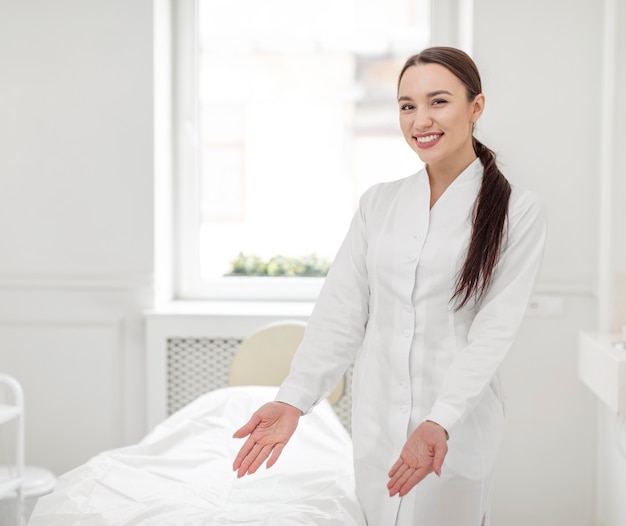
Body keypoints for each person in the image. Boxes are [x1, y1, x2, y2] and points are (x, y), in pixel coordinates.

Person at [232, 46, 547, 526]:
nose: (421, 119)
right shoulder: (378, 204)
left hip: (454, 431)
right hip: (377, 424)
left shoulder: (517, 212)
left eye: (438, 101)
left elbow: (493, 334)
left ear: (475, 107)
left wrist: (439, 419)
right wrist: (293, 398)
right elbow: (340, 313)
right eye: (407, 105)